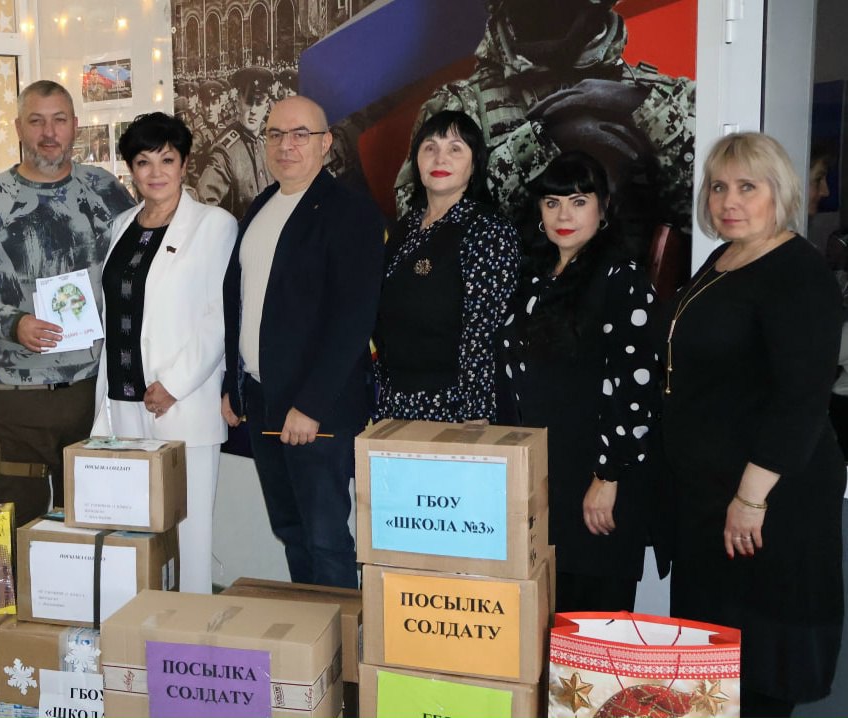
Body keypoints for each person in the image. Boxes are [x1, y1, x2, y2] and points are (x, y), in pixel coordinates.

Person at [663, 132, 844, 717]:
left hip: (769, 506)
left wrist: (750, 498)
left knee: (759, 670)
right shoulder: (726, 257)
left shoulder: (798, 273)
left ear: (780, 192)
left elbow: (801, 400)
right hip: (711, 499)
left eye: (747, 187)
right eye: (718, 187)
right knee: (714, 672)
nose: (729, 201)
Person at [0, 80, 134, 527]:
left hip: (95, 391)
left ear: (75, 126)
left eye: (59, 120)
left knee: (95, 523)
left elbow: (139, 270)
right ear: (18, 128)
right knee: (17, 523)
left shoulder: (105, 190)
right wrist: (12, 323)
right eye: (36, 121)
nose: (49, 133)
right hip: (19, 396)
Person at [221, 96, 384, 588]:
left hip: (316, 408)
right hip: (263, 399)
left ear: (326, 142)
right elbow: (243, 302)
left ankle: (341, 636)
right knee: (291, 530)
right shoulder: (262, 206)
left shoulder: (350, 211)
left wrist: (311, 405)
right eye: (275, 135)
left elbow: (353, 320)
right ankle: (310, 631)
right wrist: (234, 385)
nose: (285, 146)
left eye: (300, 135)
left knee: (325, 537)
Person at [393, 0, 695, 257]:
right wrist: (532, 147)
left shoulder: (672, 99)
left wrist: (654, 117)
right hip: (513, 301)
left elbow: (710, 221)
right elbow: (421, 234)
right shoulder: (458, 107)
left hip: (629, 300)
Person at [501, 151, 660, 611]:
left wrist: (607, 477)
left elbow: (636, 389)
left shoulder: (623, 280)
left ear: (603, 207)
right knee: (541, 623)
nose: (563, 216)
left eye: (578, 201)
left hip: (598, 480)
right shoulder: (535, 278)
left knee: (591, 629)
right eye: (552, 203)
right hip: (544, 478)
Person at [90, 112, 237, 594]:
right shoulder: (121, 226)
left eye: (167, 160)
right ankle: (141, 626)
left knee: (188, 538)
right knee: (134, 533)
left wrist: (173, 384)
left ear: (185, 164)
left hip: (180, 404)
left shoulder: (214, 225)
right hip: (122, 401)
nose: (155, 172)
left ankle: (188, 628)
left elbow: (219, 316)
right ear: (130, 169)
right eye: (143, 162)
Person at [373, 110, 518, 422]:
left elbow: (482, 332)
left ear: (475, 163)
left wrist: (476, 416)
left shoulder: (487, 230)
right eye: (430, 148)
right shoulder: (405, 228)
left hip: (456, 408)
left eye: (455, 149)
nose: (440, 158)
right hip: (396, 403)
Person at [195, 67, 274, 219]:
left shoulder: (271, 141)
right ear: (238, 102)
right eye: (249, 102)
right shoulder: (225, 151)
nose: (253, 110)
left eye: (259, 103)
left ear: (266, 107)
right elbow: (202, 204)